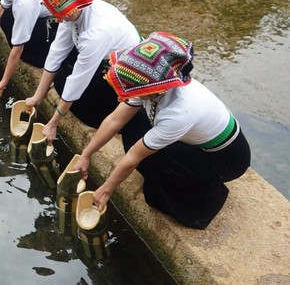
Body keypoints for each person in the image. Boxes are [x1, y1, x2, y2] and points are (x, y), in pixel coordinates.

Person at [75, 32, 251, 229]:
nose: (120, 96)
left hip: (225, 159)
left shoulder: (179, 111)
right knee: (134, 122)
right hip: (194, 141)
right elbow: (115, 120)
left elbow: (134, 155)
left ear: (152, 89)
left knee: (155, 161)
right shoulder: (153, 83)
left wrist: (106, 190)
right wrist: (85, 155)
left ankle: (204, 199)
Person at [25, 0, 147, 142]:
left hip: (127, 76)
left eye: (50, 4)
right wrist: (37, 97)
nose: (45, 6)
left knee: (76, 98)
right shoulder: (74, 12)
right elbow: (56, 53)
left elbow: (78, 80)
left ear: (67, 7)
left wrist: (52, 124)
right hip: (103, 62)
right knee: (61, 79)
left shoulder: (96, 33)